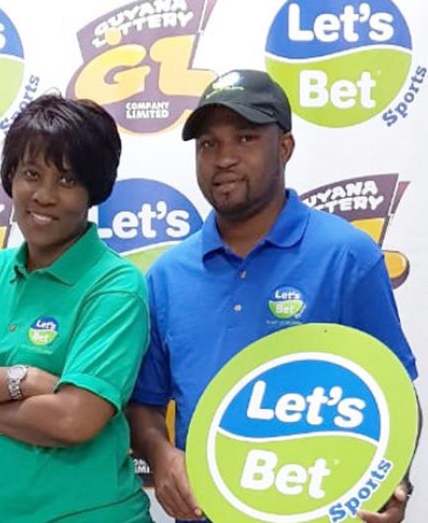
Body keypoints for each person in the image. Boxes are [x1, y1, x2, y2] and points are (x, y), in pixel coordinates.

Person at [128, 69, 419, 523]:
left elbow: (394, 392)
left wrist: (392, 483)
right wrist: (161, 454)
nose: (223, 158)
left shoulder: (347, 255)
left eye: (244, 138)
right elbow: (144, 404)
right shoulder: (166, 275)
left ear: (284, 147)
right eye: (208, 144)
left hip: (320, 512)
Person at [0, 94, 152, 523]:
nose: (43, 195)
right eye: (30, 174)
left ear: (94, 191)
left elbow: (73, 420)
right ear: (11, 178)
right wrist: (27, 379)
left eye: (67, 180)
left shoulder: (115, 285)